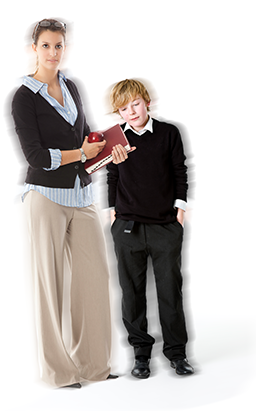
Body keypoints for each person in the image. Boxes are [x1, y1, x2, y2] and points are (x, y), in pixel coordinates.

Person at [11, 19, 126, 389]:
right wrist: (80, 152)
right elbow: (35, 156)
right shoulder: (24, 97)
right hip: (44, 196)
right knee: (50, 285)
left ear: (65, 47)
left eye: (58, 45)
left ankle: (95, 365)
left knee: (95, 279)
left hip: (81, 194)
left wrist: (109, 153)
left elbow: (86, 135)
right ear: (34, 48)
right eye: (46, 46)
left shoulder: (71, 85)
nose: (53, 52)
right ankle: (58, 373)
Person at [106, 79, 194, 379]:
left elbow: (179, 169)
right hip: (128, 226)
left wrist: (180, 207)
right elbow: (112, 176)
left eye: (135, 104)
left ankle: (177, 354)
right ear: (118, 112)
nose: (131, 111)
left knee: (170, 291)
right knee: (132, 293)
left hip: (165, 225)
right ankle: (140, 354)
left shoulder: (169, 133)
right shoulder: (116, 139)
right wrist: (112, 213)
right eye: (123, 108)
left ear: (146, 102)